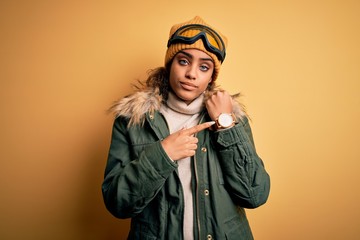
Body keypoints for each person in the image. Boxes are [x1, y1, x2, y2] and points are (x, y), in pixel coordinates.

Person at [102, 16, 270, 240]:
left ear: (212, 77)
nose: (192, 73)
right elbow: (117, 203)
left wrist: (225, 124)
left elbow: (255, 194)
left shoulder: (231, 119)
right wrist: (163, 154)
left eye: (203, 67)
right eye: (183, 61)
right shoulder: (133, 120)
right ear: (170, 64)